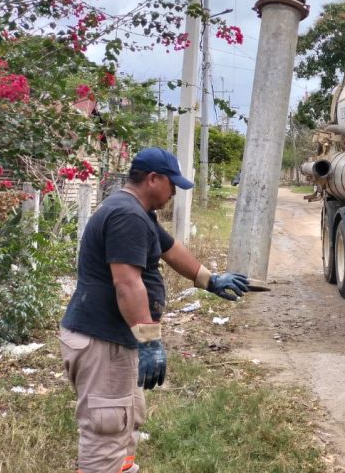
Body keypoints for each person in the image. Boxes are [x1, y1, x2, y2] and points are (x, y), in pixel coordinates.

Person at [59, 147, 250, 473]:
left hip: (112, 340)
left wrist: (208, 278)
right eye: (172, 184)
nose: (174, 192)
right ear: (152, 179)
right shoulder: (127, 217)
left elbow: (170, 249)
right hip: (103, 342)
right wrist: (149, 339)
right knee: (105, 436)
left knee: (124, 422)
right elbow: (127, 284)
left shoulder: (138, 212)